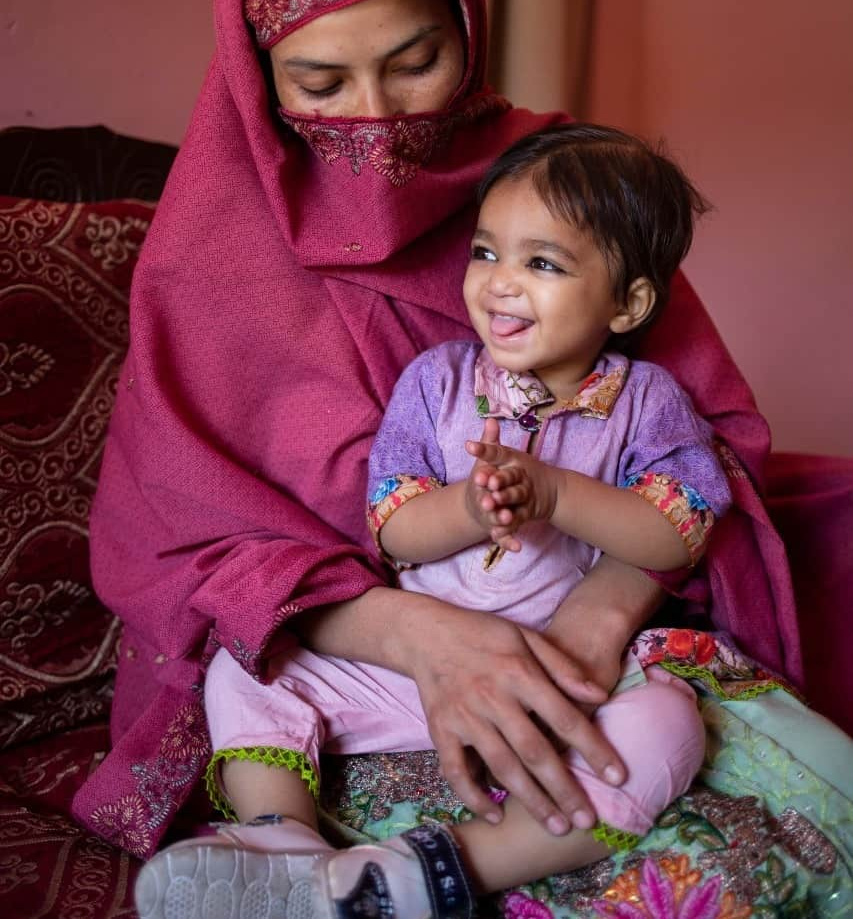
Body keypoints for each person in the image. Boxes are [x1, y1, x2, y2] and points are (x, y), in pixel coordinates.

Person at [71, 0, 801, 905]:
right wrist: (428, 639)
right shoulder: (203, 261)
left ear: (469, 22)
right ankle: (280, 858)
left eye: (417, 62)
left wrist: (600, 612)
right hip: (348, 648)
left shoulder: (553, 194)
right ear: (254, 72)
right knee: (247, 680)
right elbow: (181, 544)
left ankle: (434, 873)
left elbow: (704, 452)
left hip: (573, 631)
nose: (376, 117)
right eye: (319, 84)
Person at [133, 123, 731, 916]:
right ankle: (285, 840)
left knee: (666, 726)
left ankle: (429, 872)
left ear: (628, 302)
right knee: (246, 666)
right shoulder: (436, 381)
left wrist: (553, 494)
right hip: (419, 672)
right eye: (486, 253)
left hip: (568, 673)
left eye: (542, 263)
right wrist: (468, 508)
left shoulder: (646, 400)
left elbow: (675, 533)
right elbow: (393, 529)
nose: (499, 283)